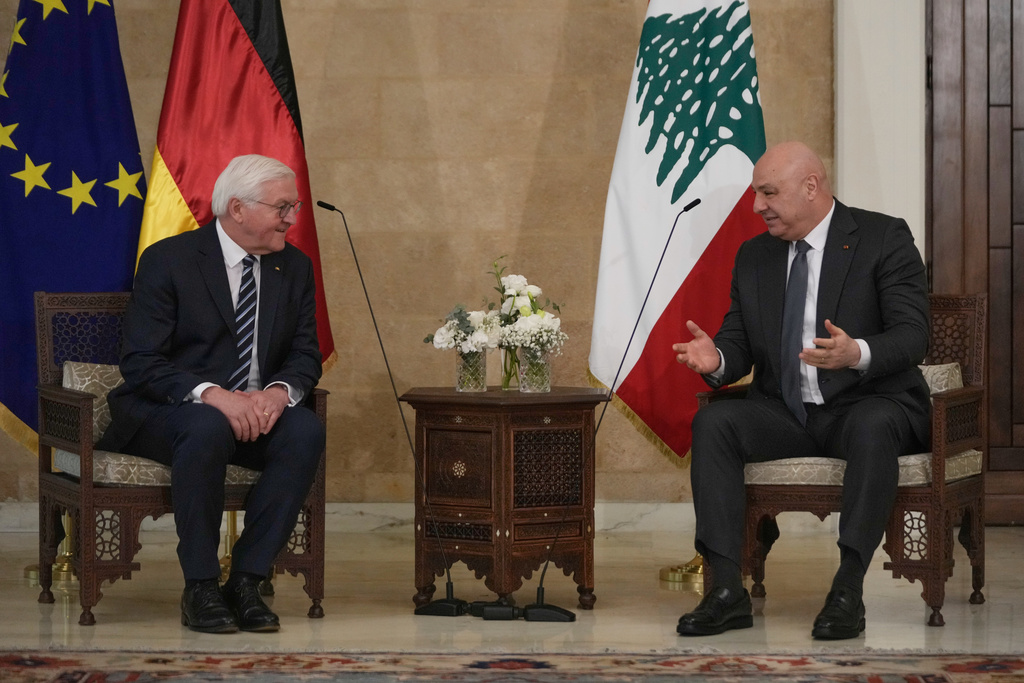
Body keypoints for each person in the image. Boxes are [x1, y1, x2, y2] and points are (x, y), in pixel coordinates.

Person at [672, 141, 931, 640]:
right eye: (756, 194)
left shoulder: (882, 237)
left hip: (865, 404)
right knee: (714, 421)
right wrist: (718, 358)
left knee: (874, 425)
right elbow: (740, 340)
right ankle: (726, 589)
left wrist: (856, 352)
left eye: (769, 193)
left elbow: (912, 334)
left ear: (811, 187)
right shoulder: (755, 255)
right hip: (787, 413)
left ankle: (847, 589)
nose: (757, 206)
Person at [99, 154, 326, 634]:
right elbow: (141, 361)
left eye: (295, 205)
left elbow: (307, 352)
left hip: (255, 413)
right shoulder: (169, 259)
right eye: (283, 206)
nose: (292, 217)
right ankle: (200, 585)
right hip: (171, 412)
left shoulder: (295, 267)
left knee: (305, 429)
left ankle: (245, 580)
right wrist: (214, 395)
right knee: (207, 426)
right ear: (238, 209)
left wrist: (281, 393)